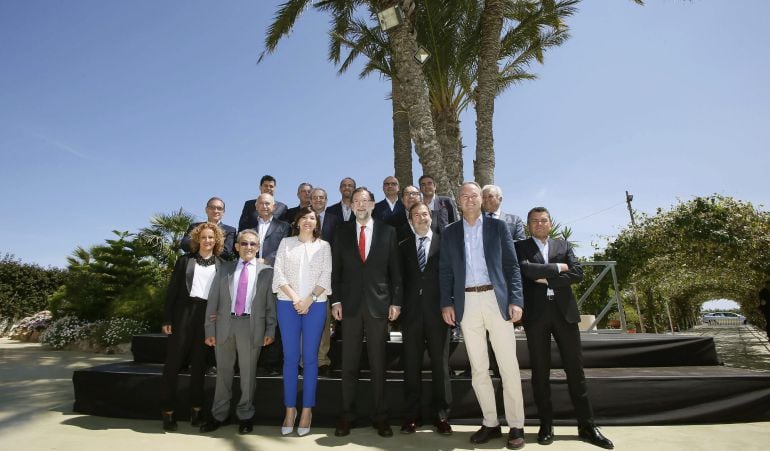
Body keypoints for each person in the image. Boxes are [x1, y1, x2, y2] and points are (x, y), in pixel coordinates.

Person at [515, 207, 613, 449]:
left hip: (565, 314)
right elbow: (526, 270)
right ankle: (546, 424)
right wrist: (559, 268)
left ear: (551, 223)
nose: (539, 224)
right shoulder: (520, 247)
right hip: (536, 316)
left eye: (543, 220)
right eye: (534, 221)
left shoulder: (564, 245)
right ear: (528, 225)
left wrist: (545, 278)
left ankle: (587, 425)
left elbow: (578, 272)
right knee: (540, 372)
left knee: (575, 370)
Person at [439, 181, 526, 450]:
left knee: (508, 365)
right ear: (459, 201)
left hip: (495, 300)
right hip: (467, 302)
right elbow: (445, 271)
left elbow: (512, 267)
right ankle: (490, 422)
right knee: (478, 368)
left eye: (474, 195)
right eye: (464, 196)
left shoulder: (498, 227)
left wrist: (516, 300)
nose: (469, 199)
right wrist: (446, 303)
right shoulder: (450, 232)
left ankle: (516, 425)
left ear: (481, 199)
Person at [332, 187, 403, 438]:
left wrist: (396, 302)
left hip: (379, 306)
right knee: (349, 364)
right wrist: (336, 301)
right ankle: (346, 416)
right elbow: (336, 272)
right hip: (349, 307)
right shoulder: (341, 233)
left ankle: (380, 417)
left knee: (378, 364)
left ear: (373, 205)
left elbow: (395, 271)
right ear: (351, 206)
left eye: (365, 201)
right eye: (356, 201)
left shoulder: (388, 232)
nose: (361, 205)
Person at [199, 229, 276, 435]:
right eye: (244, 243)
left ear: (258, 248)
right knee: (223, 374)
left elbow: (270, 305)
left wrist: (270, 329)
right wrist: (209, 328)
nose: (248, 247)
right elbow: (212, 301)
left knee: (248, 376)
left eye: (252, 244)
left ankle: (245, 416)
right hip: (225, 325)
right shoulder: (224, 269)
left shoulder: (266, 273)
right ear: (236, 247)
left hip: (251, 327)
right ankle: (219, 415)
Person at [272, 206, 332, 436]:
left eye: (312, 218)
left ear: (317, 223)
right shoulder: (286, 243)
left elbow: (325, 277)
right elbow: (278, 274)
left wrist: (309, 299)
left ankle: (306, 410)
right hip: (288, 304)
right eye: (304, 218)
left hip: (315, 305)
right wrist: (296, 298)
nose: (308, 221)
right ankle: (290, 410)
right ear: (296, 222)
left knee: (309, 359)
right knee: (289, 358)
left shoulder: (324, 246)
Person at [160, 223, 225, 431]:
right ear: (198, 240)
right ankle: (168, 413)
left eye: (211, 237)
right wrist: (167, 319)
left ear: (216, 241)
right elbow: (172, 292)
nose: (208, 241)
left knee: (199, 366)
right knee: (173, 364)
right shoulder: (184, 261)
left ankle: (196, 411)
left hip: (207, 316)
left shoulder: (222, 265)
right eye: (204, 237)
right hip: (183, 314)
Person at [398, 202, 452, 435]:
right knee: (411, 365)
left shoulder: (446, 243)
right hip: (410, 315)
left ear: (431, 217)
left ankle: (441, 415)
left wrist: (449, 304)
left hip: (439, 312)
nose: (421, 218)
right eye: (416, 215)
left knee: (440, 365)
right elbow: (398, 280)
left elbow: (452, 276)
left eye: (424, 214)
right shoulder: (402, 245)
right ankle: (412, 416)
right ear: (410, 220)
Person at [310, 187, 340, 374]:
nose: (318, 200)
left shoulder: (335, 221)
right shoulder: (302, 219)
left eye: (322, 197)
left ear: (326, 200)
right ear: (310, 200)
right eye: (315, 197)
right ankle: (305, 361)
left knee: (323, 320)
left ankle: (322, 360)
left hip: (328, 276)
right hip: (305, 277)